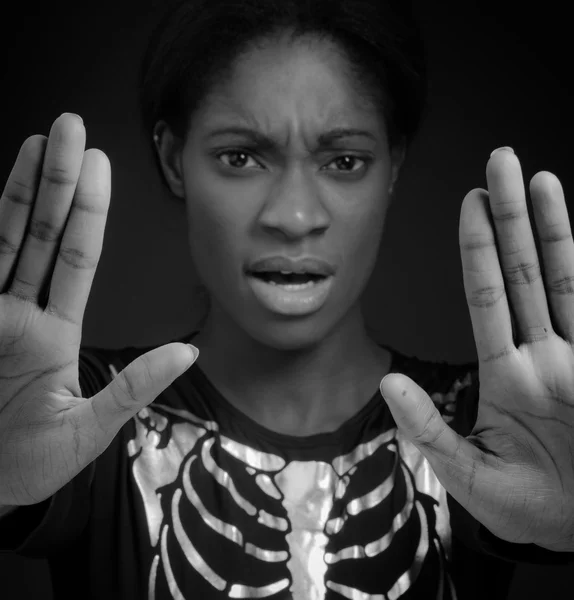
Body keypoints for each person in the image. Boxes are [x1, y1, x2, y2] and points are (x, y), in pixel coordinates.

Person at [0, 0, 574, 599]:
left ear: (394, 162)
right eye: (241, 157)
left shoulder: (497, 427)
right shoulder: (79, 412)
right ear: (174, 159)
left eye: (345, 160)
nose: (295, 218)